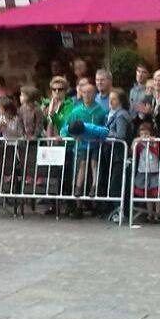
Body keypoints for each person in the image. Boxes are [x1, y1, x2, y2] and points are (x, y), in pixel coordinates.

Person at [62, 78, 108, 218]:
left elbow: (106, 129)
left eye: (90, 93)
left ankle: (95, 201)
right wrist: (72, 135)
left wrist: (100, 137)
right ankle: (78, 204)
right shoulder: (76, 111)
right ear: (81, 94)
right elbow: (65, 128)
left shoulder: (100, 111)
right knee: (80, 169)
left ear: (95, 94)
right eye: (85, 93)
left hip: (95, 145)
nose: (87, 95)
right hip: (81, 146)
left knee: (94, 166)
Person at [131, 117, 160, 223]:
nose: (144, 136)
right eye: (142, 134)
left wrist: (152, 142)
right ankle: (150, 214)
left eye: (147, 134)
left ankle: (157, 215)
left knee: (156, 194)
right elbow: (132, 149)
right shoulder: (139, 144)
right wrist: (136, 141)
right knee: (148, 194)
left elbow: (157, 151)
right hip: (143, 170)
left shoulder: (155, 142)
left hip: (155, 170)